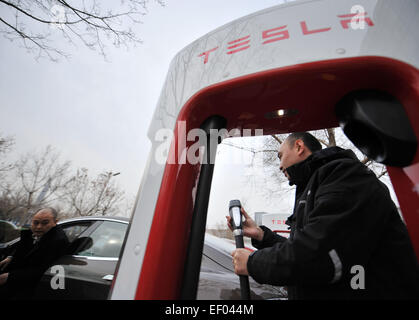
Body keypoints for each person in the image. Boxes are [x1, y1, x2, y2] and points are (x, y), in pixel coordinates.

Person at [227, 132, 419, 299]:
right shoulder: (315, 184)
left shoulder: (345, 176)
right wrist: (261, 235)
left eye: (280, 156)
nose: (279, 166)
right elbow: (307, 245)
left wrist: (253, 263)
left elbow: (318, 255)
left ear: (299, 146)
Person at [0, 207, 69, 299]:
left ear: (55, 222)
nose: (39, 226)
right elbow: (20, 247)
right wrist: (11, 256)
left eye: (45, 223)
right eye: (36, 222)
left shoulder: (58, 241)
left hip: (29, 287)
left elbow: (43, 269)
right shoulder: (32, 234)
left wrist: (9, 276)